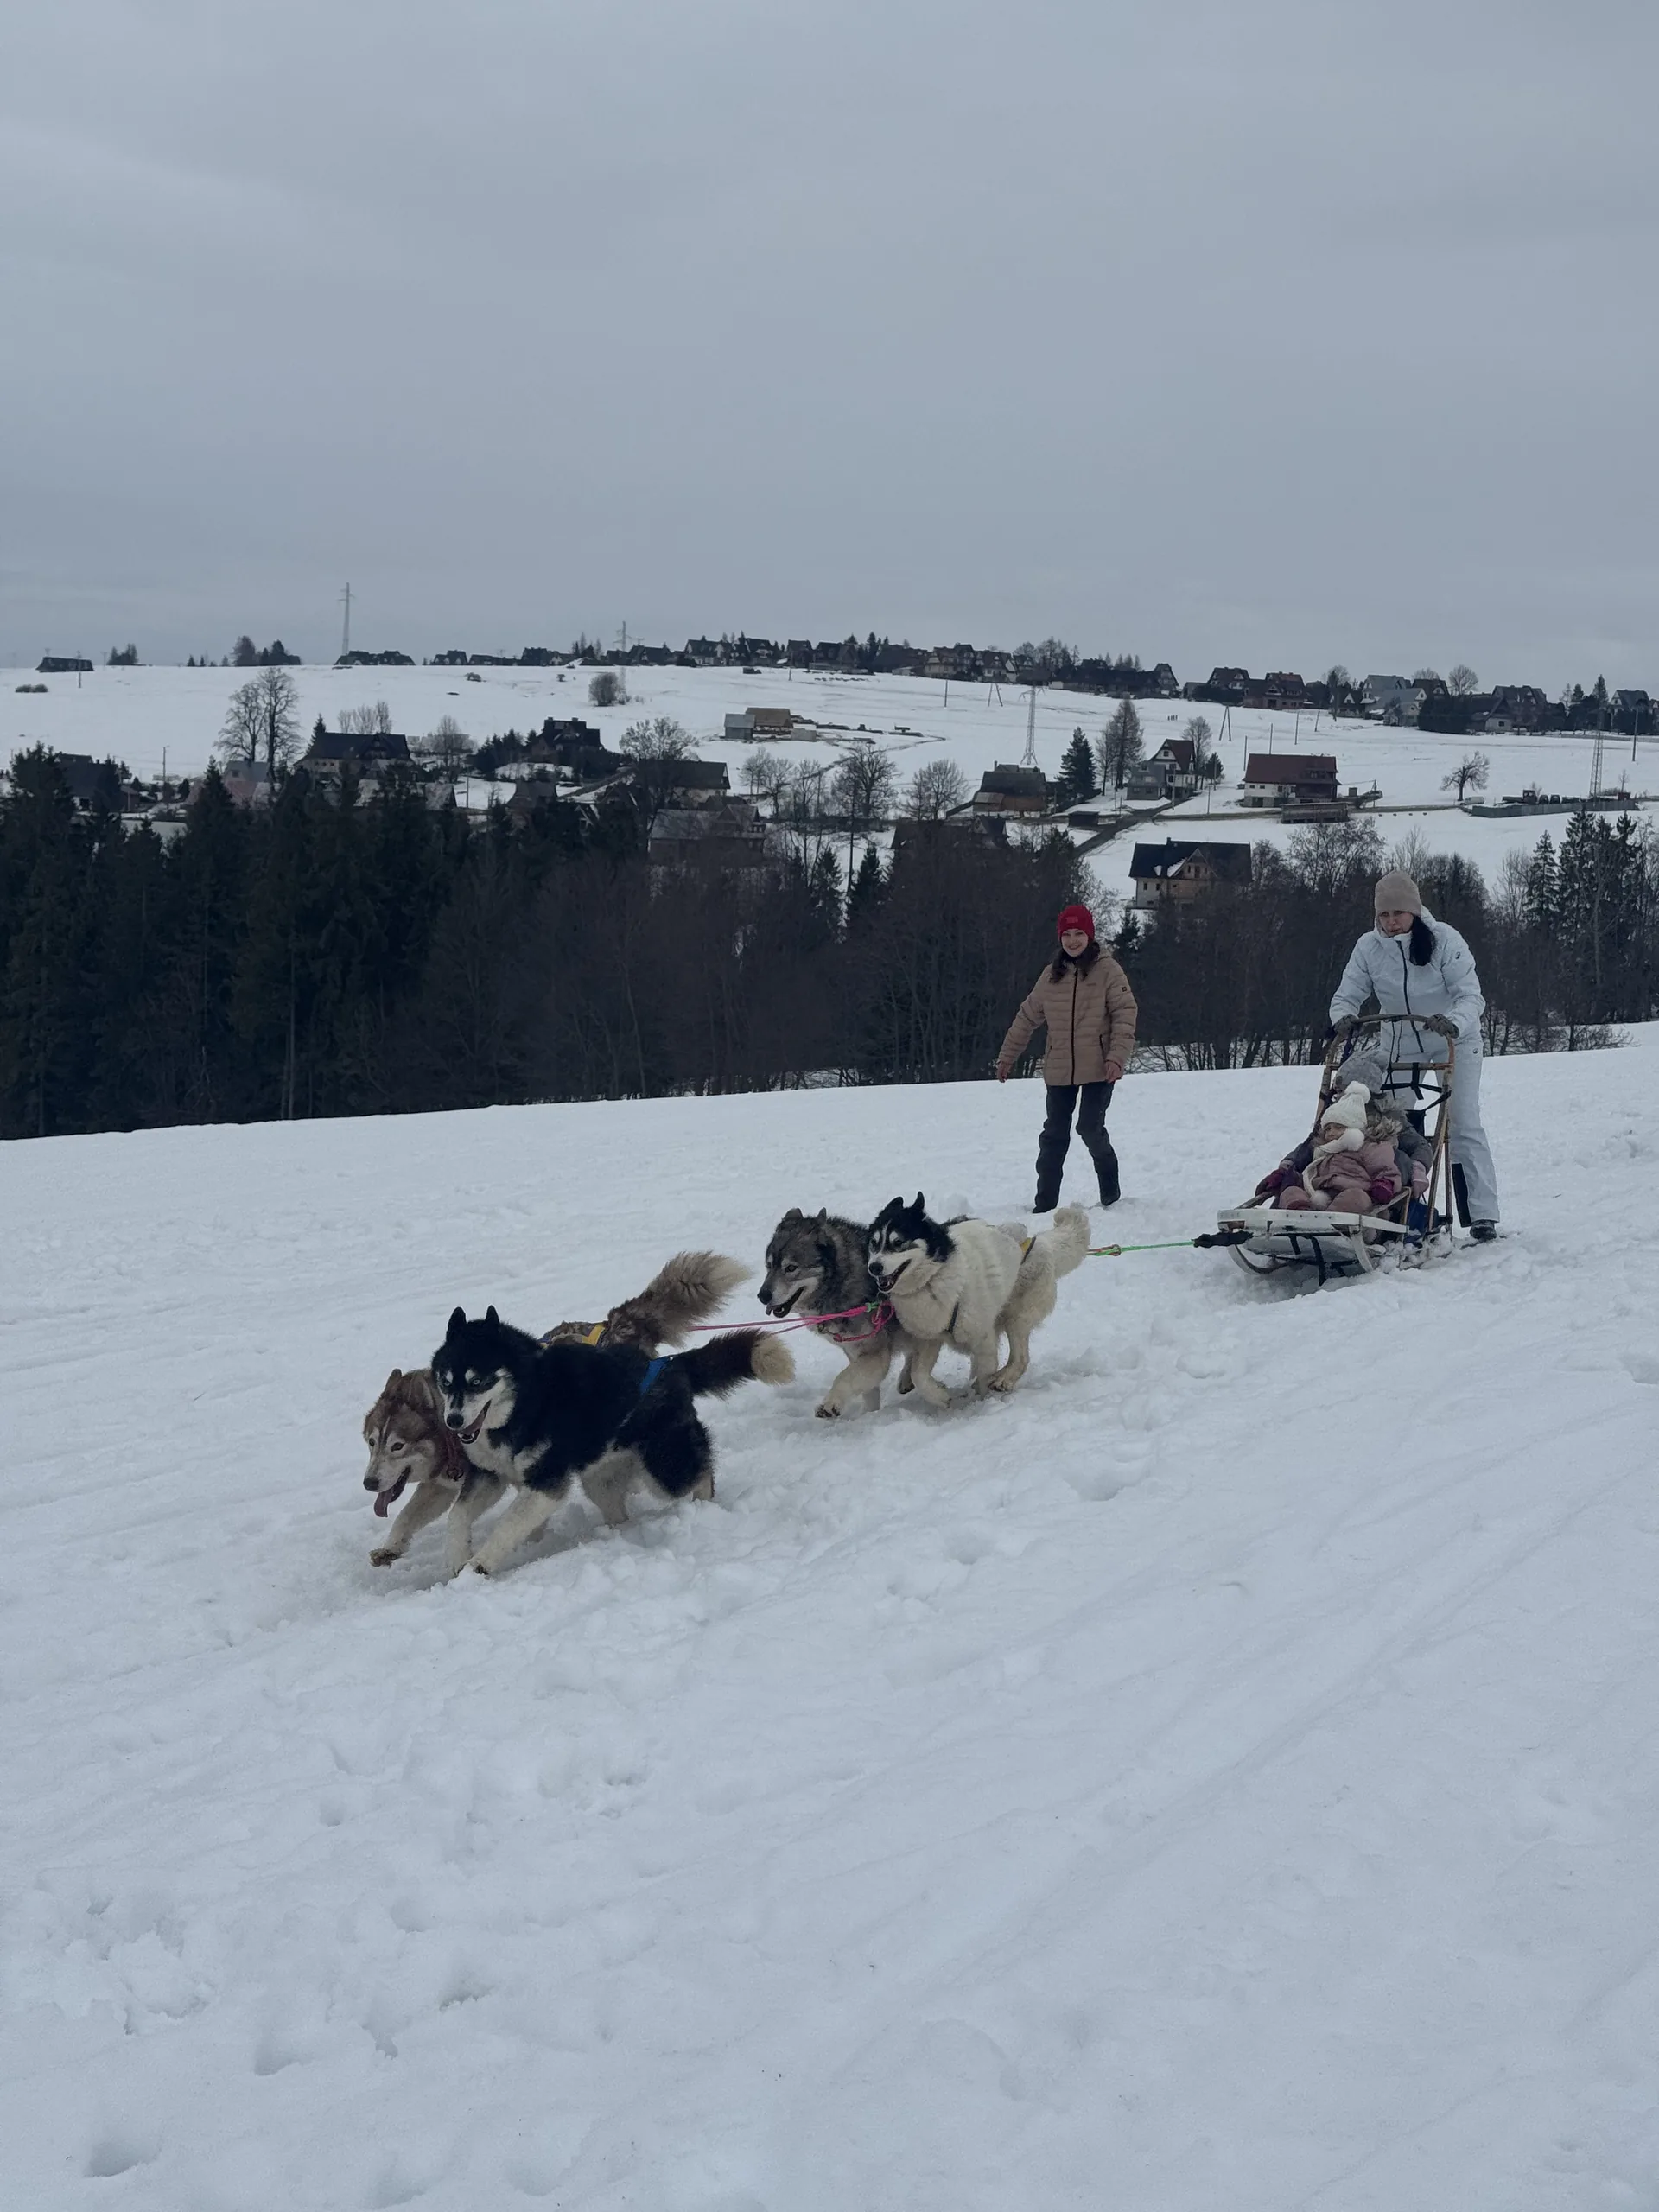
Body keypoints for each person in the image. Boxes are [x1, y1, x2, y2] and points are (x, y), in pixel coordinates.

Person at [1329, 870, 1500, 1238]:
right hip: (1399, 1040)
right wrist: (1343, 1017)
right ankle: (1404, 1208)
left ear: (1415, 911)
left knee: (1462, 1123)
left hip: (1454, 1038)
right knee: (1392, 1127)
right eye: (1384, 915)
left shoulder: (1444, 940)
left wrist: (1452, 1021)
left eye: (1399, 914)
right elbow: (1348, 993)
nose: (1392, 923)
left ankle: (1482, 1215)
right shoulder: (1368, 947)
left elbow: (1471, 995)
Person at [996, 903, 1137, 1211]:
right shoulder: (1050, 976)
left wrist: (1116, 1057)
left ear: (1089, 935)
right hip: (1059, 1068)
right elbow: (1026, 1017)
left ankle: (1110, 1194)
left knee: (1089, 1127)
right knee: (1054, 1136)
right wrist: (1007, 1057)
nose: (1073, 940)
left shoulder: (1108, 970)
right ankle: (1044, 1204)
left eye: (1079, 933)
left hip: (1100, 1068)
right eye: (1067, 934)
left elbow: (1125, 1012)